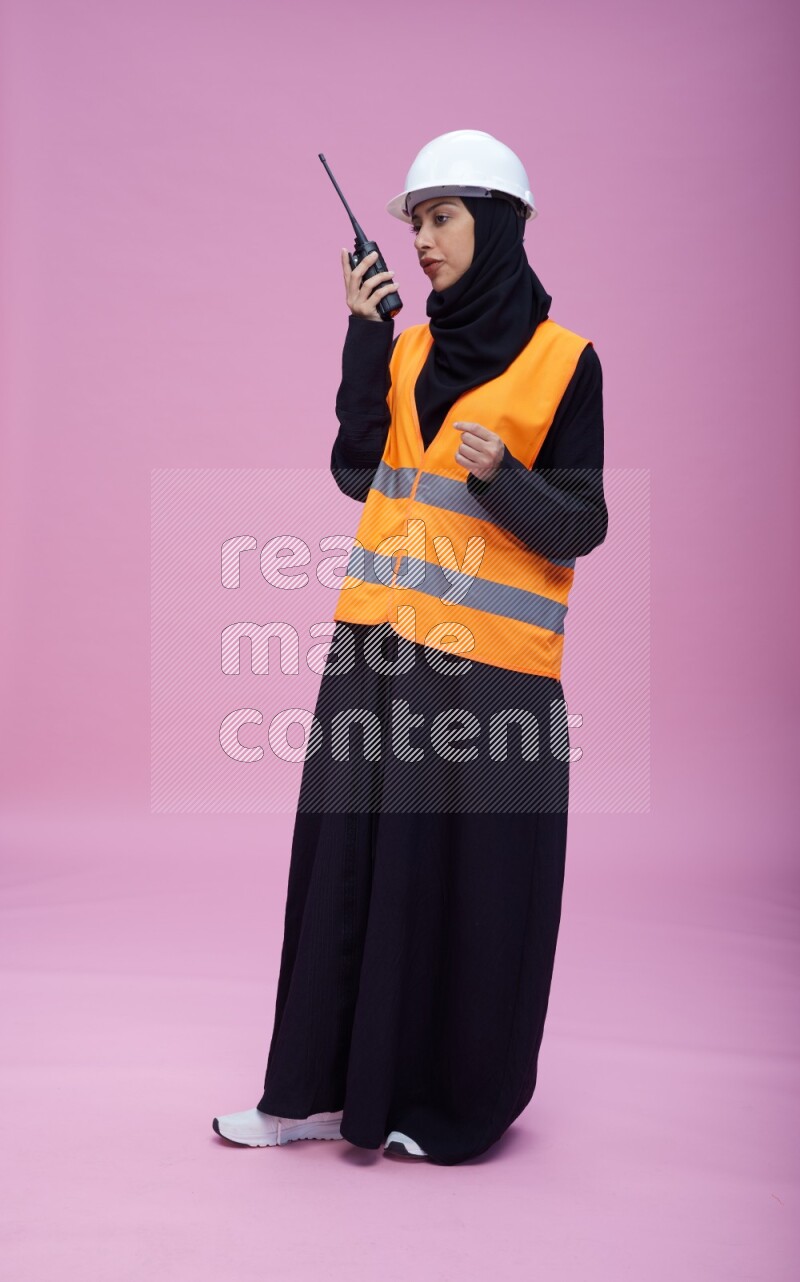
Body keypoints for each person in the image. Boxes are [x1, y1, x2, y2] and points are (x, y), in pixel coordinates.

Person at [213, 130, 608, 1166]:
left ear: (498, 222)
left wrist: (504, 480)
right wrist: (360, 334)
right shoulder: (413, 351)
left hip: (492, 679)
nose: (422, 240)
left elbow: (581, 521)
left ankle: (439, 1107)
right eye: (414, 222)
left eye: (439, 217)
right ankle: (308, 1093)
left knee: (463, 896)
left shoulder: (565, 362)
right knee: (343, 873)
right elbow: (357, 468)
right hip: (375, 650)